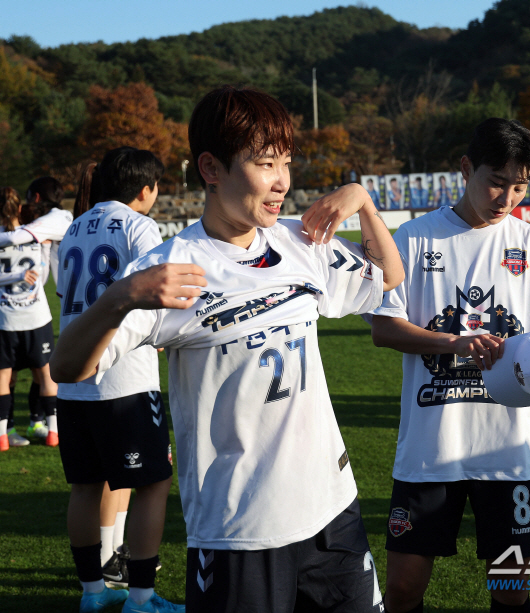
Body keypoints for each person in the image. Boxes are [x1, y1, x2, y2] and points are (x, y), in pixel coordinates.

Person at [51, 85, 404, 613]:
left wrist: (363, 201)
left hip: (333, 510)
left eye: (286, 162)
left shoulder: (298, 242)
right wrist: (122, 297)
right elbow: (67, 367)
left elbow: (388, 278)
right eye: (265, 163)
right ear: (211, 169)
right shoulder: (171, 265)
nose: (282, 180)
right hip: (239, 528)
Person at [369, 118, 530, 613]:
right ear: (465, 169)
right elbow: (384, 328)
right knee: (402, 587)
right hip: (431, 445)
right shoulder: (415, 239)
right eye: (496, 180)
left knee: (510, 588)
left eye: (520, 186)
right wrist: (456, 343)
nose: (507, 197)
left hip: (509, 449)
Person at [56, 147, 182, 613]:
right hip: (122, 378)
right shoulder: (138, 225)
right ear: (145, 189)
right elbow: (157, 290)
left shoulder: (72, 229)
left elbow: (65, 294)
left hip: (73, 377)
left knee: (86, 486)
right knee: (152, 482)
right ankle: (142, 598)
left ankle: (92, 593)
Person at [0, 176, 72, 441]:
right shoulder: (38, 235)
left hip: (5, 317)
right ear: (20, 208)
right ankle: (50, 428)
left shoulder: (16, 235)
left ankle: (5, 432)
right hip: (36, 314)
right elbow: (41, 278)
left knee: (7, 375)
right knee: (43, 372)